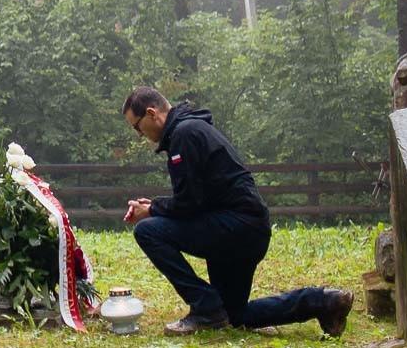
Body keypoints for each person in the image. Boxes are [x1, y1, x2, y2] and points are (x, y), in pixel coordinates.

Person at [120, 86, 355, 337]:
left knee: (147, 231)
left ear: (152, 113)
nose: (138, 134)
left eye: (136, 126)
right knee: (233, 314)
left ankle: (204, 308)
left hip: (235, 229)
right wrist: (155, 207)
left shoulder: (183, 135)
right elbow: (199, 198)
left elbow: (189, 203)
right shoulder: (191, 130)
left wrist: (152, 210)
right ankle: (324, 302)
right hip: (246, 230)